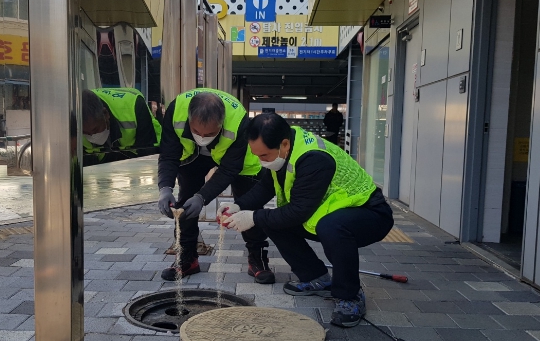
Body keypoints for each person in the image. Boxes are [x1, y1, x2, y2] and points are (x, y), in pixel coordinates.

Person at [219, 112, 394, 327]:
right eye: (256, 155)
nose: (260, 161)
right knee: (271, 220)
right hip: (332, 213)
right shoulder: (284, 150)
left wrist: (253, 217)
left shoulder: (314, 158)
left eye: (264, 155)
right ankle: (316, 278)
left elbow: (298, 211)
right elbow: (265, 188)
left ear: (284, 144)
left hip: (370, 213)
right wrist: (238, 206)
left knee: (330, 227)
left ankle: (350, 296)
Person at [157, 88, 273, 283]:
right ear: (188, 119)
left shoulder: (238, 120)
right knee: (185, 204)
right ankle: (187, 258)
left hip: (236, 162)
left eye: (210, 133)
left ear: (222, 123)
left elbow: (229, 169)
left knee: (248, 204)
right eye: (196, 131)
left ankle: (257, 258)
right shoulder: (176, 110)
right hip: (192, 156)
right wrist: (165, 188)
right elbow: (168, 154)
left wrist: (202, 197)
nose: (202, 137)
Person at [82, 88, 161, 166]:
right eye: (85, 133)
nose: (92, 136)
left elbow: (147, 155)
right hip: (103, 159)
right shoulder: (76, 121)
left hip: (143, 151)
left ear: (106, 114)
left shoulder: (134, 107)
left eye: (95, 129)